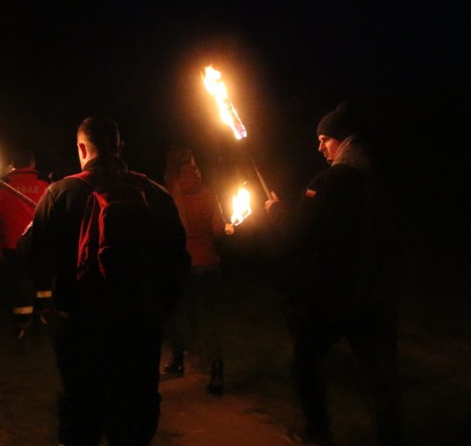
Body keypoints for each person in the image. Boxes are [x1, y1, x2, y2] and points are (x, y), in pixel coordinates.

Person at [26, 116, 189, 446]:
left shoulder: (61, 193)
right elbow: (178, 261)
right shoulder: (156, 194)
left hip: (82, 328)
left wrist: (50, 306)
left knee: (81, 411)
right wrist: (159, 310)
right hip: (140, 326)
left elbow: (33, 258)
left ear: (83, 148)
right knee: (136, 413)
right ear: (119, 146)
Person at [264, 102, 405, 446]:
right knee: (379, 375)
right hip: (372, 293)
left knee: (305, 357)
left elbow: (299, 233)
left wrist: (276, 211)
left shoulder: (330, 182)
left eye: (325, 139)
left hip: (331, 297)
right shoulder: (377, 180)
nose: (319, 147)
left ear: (342, 141)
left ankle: (317, 431)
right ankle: (392, 436)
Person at [161, 146, 233, 395]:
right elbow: (217, 230)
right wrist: (227, 229)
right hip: (209, 264)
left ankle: (178, 359)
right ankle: (216, 372)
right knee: (209, 319)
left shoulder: (170, 196)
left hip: (182, 266)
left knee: (177, 313)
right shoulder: (209, 194)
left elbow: (168, 235)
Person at [0, 148, 51, 336]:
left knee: (19, 282)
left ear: (13, 165)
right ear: (33, 163)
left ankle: (22, 323)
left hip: (12, 243)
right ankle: (43, 314)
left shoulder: (3, 184)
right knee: (41, 279)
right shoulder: (45, 182)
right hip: (40, 241)